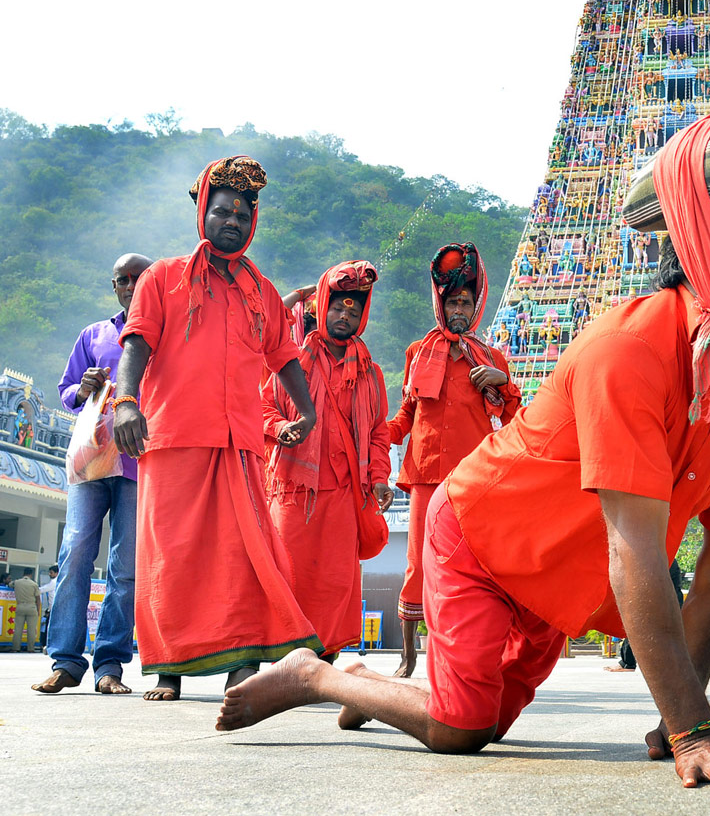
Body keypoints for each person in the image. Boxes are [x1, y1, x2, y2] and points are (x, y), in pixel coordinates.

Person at [216, 104, 710, 792]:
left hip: (558, 587)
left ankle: (362, 685)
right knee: (460, 731)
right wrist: (693, 732)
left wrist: (681, 719)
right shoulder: (630, 349)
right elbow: (634, 549)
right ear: (703, 250)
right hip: (480, 543)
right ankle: (316, 675)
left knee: (485, 724)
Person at [114, 156, 322, 701]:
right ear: (204, 212)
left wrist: (308, 410)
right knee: (171, 558)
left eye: (243, 213)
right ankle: (168, 669)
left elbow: (286, 357)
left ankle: (244, 661)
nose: (232, 220)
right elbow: (137, 342)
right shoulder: (162, 277)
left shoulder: (262, 290)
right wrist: (126, 401)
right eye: (223, 210)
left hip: (241, 444)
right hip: (174, 438)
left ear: (253, 222)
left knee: (241, 560)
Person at [387, 244, 521, 677]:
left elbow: (515, 419)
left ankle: (468, 659)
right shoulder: (417, 352)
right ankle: (408, 661)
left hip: (474, 480)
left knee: (473, 563)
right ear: (440, 305)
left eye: (465, 302)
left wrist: (505, 383)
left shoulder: (492, 359)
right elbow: (405, 417)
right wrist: (371, 441)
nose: (458, 309)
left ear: (476, 305)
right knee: (417, 565)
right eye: (452, 302)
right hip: (425, 475)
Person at [33, 254, 150, 694]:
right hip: (90, 459)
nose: (130, 286)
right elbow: (66, 393)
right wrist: (83, 386)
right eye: (122, 280)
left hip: (140, 459)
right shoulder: (94, 334)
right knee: (75, 551)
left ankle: (109, 667)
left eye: (139, 279)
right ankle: (64, 660)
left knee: (124, 566)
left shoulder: (166, 337)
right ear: (114, 286)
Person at [263, 261, 393, 657]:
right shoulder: (291, 359)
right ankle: (287, 656)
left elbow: (377, 431)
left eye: (354, 310)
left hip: (344, 490)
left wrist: (381, 476)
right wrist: (280, 428)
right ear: (323, 308)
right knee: (289, 573)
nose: (344, 316)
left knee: (336, 580)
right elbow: (262, 405)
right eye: (338, 307)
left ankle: (326, 657)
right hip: (294, 490)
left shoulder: (370, 372)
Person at [605, 560, 684, 673]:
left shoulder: (651, 555)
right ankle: (675, 662)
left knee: (638, 622)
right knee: (670, 625)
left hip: (655, 589)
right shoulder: (668, 556)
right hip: (670, 598)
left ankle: (628, 662)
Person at [12, 568, 41, 652]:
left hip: (20, 606)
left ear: (23, 573)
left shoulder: (17, 582)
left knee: (18, 629)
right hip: (31, 607)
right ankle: (31, 649)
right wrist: (38, 610)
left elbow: (10, 584)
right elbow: (38, 599)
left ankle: (16, 648)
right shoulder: (34, 584)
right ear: (31, 574)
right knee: (31, 630)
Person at [38, 564, 58, 645]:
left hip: (54, 610)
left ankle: (46, 644)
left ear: (56, 573)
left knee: (48, 628)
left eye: (51, 572)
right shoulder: (60, 581)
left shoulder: (53, 582)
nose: (50, 574)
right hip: (54, 609)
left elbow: (42, 590)